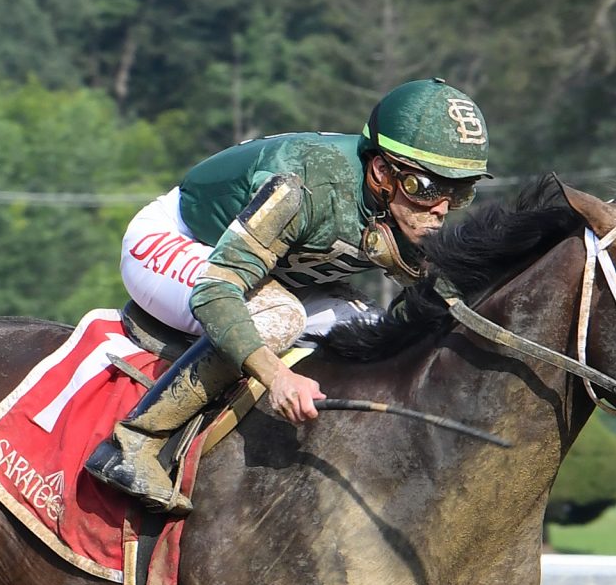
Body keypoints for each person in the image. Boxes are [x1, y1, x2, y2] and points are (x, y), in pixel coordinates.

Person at [83, 78, 491, 514]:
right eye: (427, 188)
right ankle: (135, 442)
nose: (441, 209)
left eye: (459, 191)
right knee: (278, 317)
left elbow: (444, 298)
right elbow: (218, 291)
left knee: (373, 332)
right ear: (381, 172)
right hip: (180, 243)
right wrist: (277, 377)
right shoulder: (301, 186)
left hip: (275, 269)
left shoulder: (404, 204)